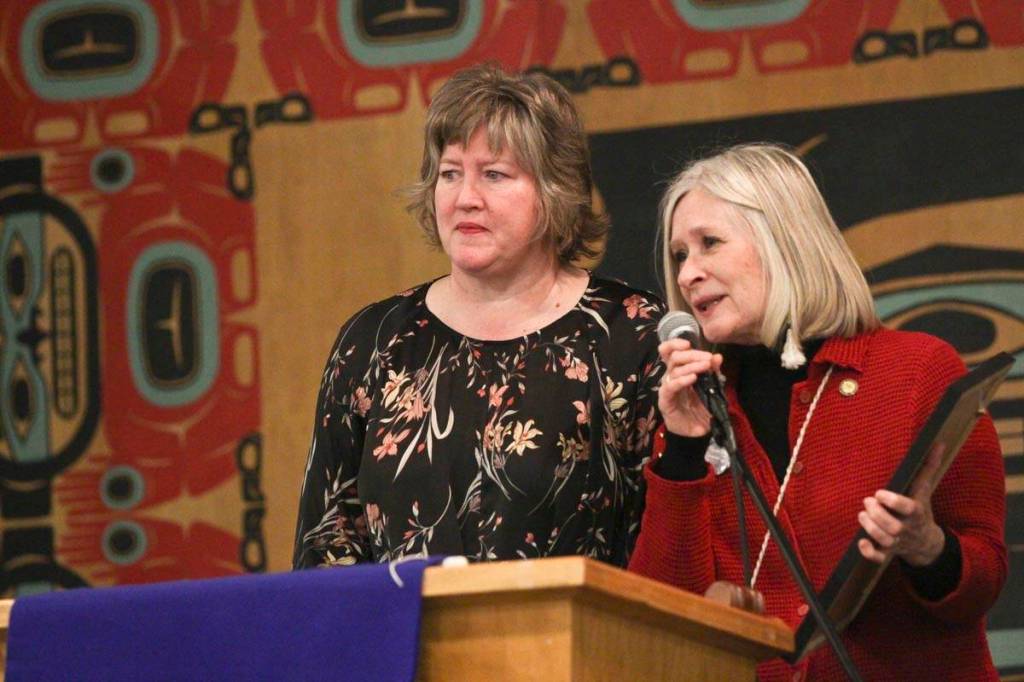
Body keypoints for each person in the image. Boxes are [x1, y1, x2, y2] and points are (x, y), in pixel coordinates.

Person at [629, 144, 1006, 680]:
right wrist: (685, 448)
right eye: (679, 255)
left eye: (709, 243)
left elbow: (983, 583)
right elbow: (658, 622)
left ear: (785, 240)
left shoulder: (918, 371)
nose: (689, 273)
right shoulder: (696, 407)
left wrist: (928, 548)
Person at [293, 64, 664, 569]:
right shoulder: (374, 341)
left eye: (494, 174)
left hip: (581, 645)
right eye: (450, 174)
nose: (466, 198)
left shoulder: (630, 333)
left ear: (554, 189)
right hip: (404, 646)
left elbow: (671, 541)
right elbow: (327, 543)